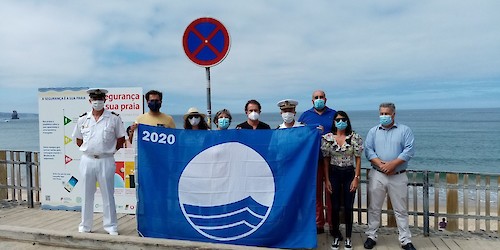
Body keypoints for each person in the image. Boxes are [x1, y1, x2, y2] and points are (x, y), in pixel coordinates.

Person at [72, 88, 126, 235]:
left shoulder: (114, 118)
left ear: (105, 100)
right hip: (87, 160)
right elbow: (78, 140)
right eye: (94, 99)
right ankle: (85, 225)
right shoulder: (83, 119)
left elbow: (121, 139)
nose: (97, 101)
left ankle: (111, 226)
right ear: (90, 101)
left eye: (100, 98)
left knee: (108, 194)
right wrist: (90, 150)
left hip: (106, 160)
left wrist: (110, 151)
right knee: (86, 194)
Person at [363, 102, 416, 250]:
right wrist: (382, 165)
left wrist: (393, 165)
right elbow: (368, 151)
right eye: (382, 113)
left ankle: (405, 240)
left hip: (398, 175)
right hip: (377, 174)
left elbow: (409, 150)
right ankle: (371, 236)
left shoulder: (405, 130)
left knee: (401, 209)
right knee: (374, 207)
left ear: (393, 114)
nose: (384, 116)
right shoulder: (373, 131)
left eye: (387, 113)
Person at [321, 111, 363, 250]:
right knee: (335, 207)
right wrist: (327, 179)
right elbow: (326, 161)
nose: (341, 122)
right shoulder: (327, 138)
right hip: (334, 174)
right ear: (334, 122)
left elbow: (358, 159)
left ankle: (349, 238)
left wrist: (356, 178)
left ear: (347, 121)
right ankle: (336, 236)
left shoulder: (354, 137)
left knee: (349, 207)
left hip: (349, 174)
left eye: (343, 119)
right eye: (338, 119)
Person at [298, 90, 336, 234]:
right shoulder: (305, 116)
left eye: (321, 97)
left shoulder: (334, 114)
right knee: (316, 193)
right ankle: (318, 223)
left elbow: (341, 133)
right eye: (316, 97)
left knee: (331, 192)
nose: (319, 99)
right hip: (313, 160)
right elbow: (299, 135)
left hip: (331, 160)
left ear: (325, 99)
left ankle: (332, 224)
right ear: (312, 100)